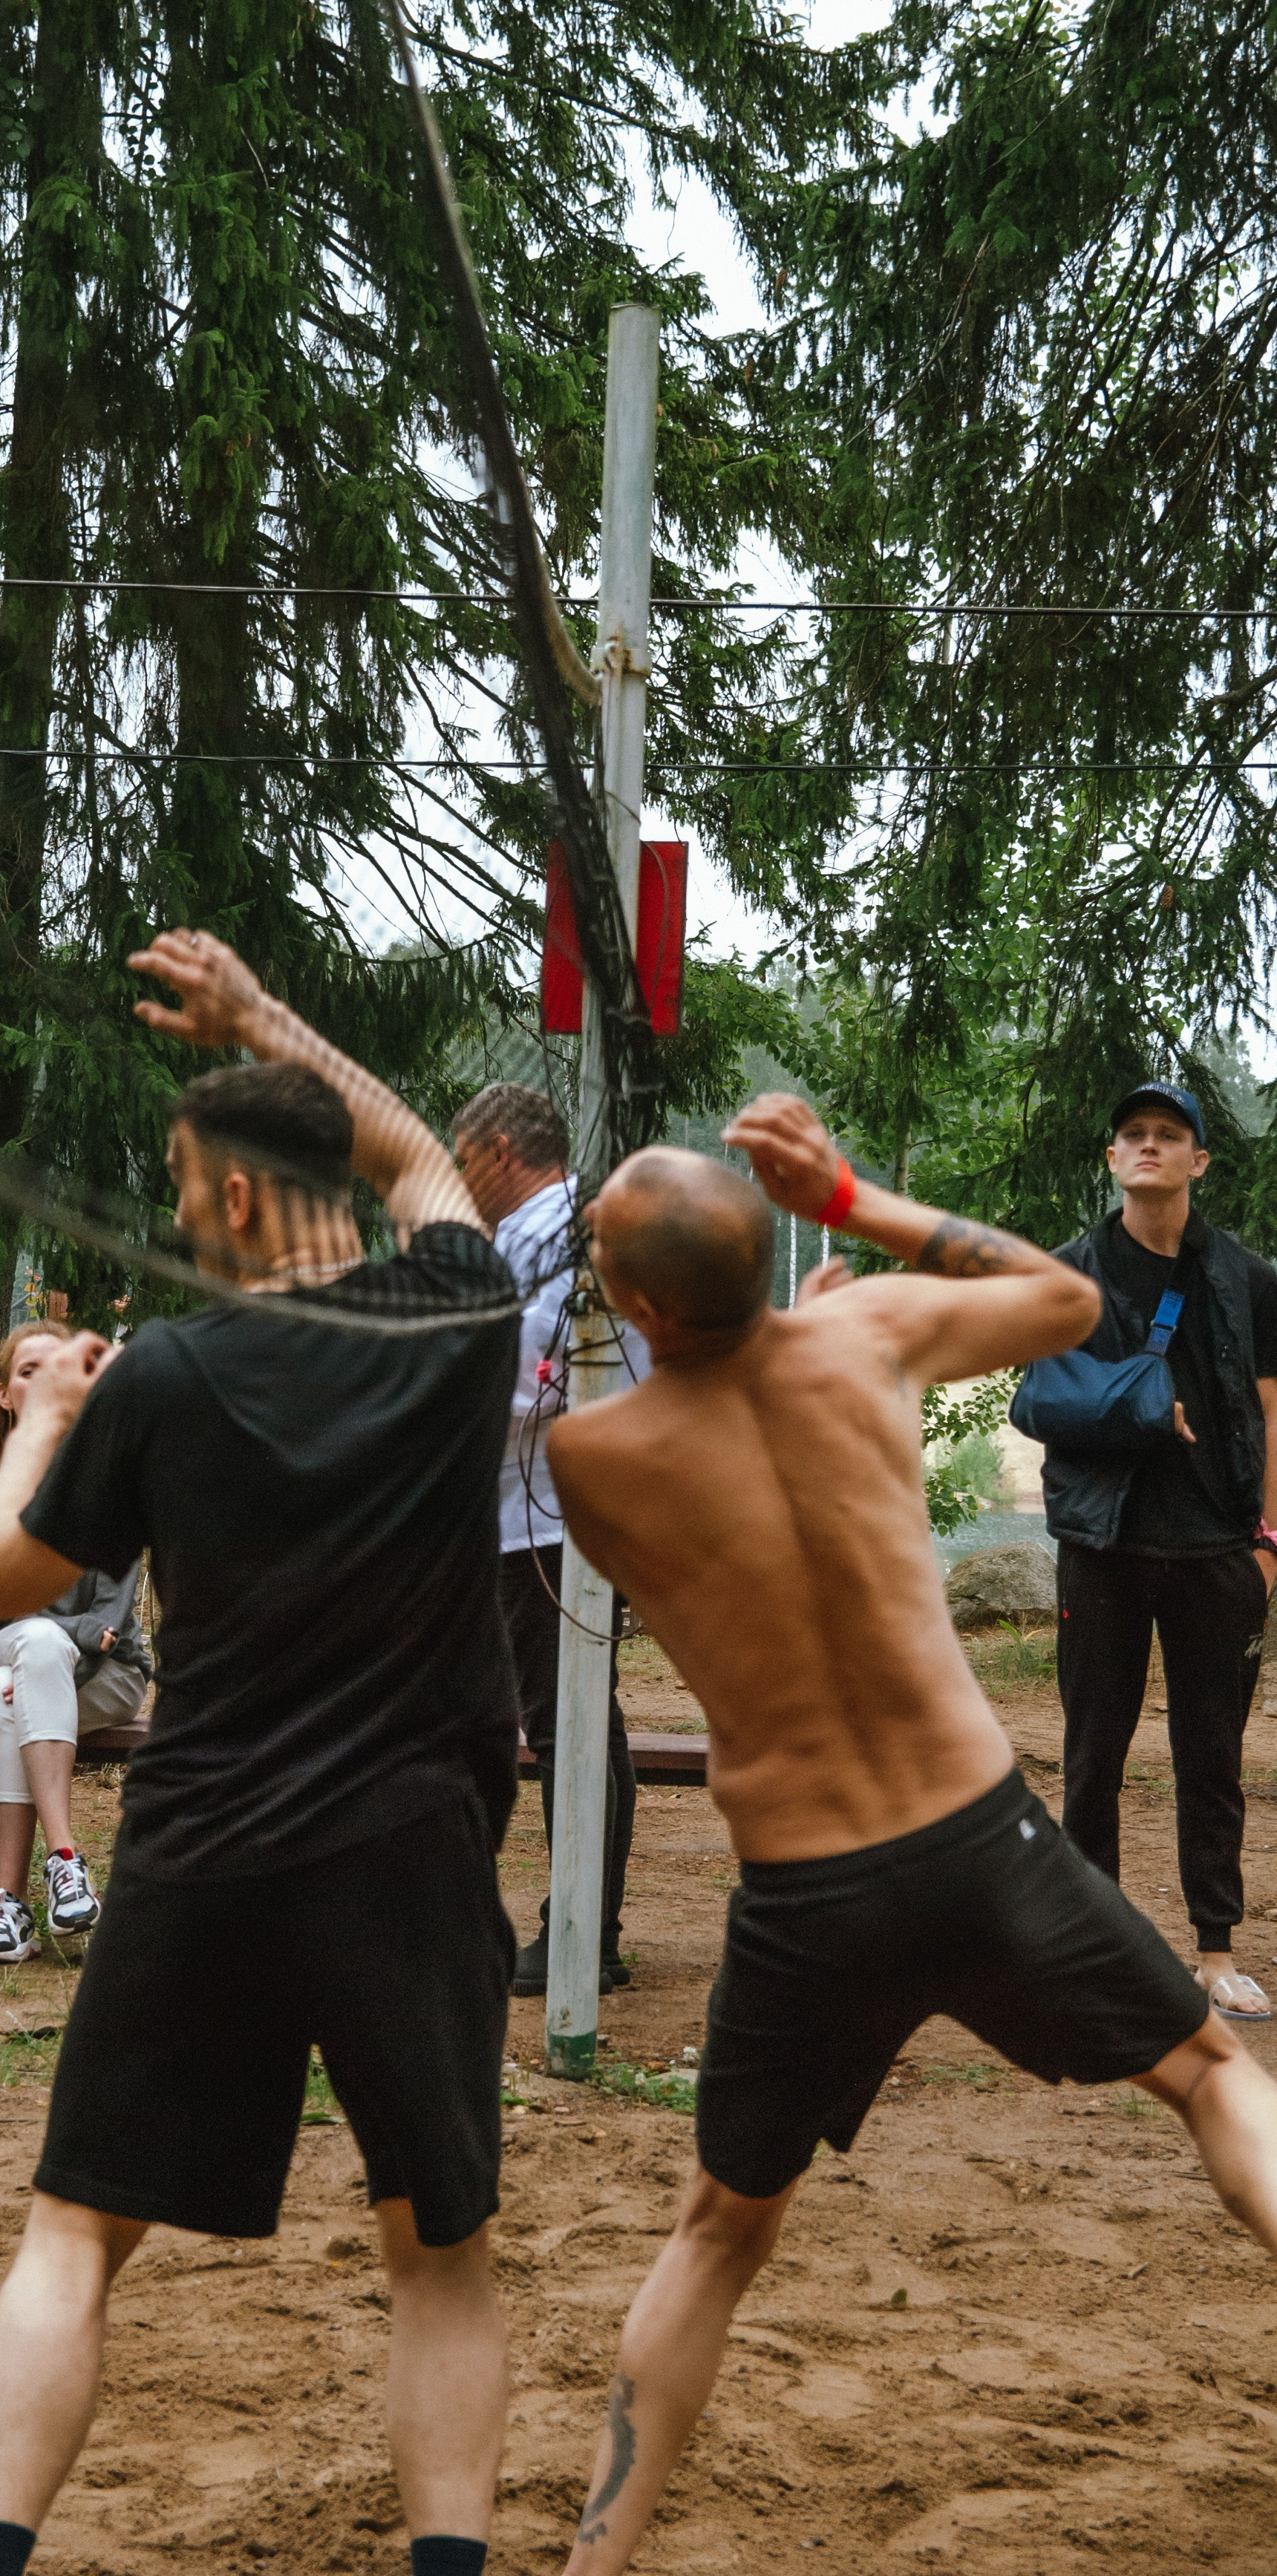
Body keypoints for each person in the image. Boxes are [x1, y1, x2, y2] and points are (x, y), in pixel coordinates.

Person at [542, 1096, 1277, 2576]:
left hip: (805, 1891)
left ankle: (591, 2562)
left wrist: (758, 1330)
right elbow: (1065, 1299)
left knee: (713, 2238)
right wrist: (853, 1207)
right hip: (974, 1838)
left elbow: (691, 1501)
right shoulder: (857, 1334)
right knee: (1207, 2075)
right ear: (779, 1255)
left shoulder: (589, 1456)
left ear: (625, 1302)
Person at [0, 928, 521, 2576]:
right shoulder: (457, 1310)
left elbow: (0, 1582)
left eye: (188, 1186)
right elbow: (413, 1150)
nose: (179, 1211)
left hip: (202, 1848)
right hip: (406, 1847)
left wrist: (51, 1406)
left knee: (71, 2234)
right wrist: (268, 1018)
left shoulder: (168, 1376)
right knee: (437, 2257)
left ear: (245, 1202)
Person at [1042, 1081, 1277, 2018]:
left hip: (1217, 1543)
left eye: (1167, 1135)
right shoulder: (1069, 1272)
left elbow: (1270, 1408)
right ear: (1111, 1158)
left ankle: (1214, 1951)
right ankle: (1092, 1947)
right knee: (1092, 1751)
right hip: (1102, 1541)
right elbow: (1044, 1394)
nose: (1148, 1146)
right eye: (1131, 1134)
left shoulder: (1248, 1276)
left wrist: (1268, 1539)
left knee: (1210, 1755)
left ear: (1198, 1159)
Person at [454, 1080, 640, 1997]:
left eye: (461, 1163)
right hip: (529, 1512)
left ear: (495, 1150)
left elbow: (531, 1382)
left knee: (570, 1721)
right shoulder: (538, 1233)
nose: (457, 1182)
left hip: (548, 1516)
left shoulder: (560, 1235)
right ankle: (581, 1921)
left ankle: (581, 1931)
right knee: (571, 1717)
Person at [0, 1321, 150, 1963]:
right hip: (7, 1650)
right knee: (28, 1648)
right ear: (4, 1394)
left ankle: (8, 1907)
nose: (44, 1381)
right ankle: (66, 1859)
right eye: (28, 1371)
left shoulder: (109, 1475)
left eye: (54, 1369)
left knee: (12, 1691)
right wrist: (75, 1631)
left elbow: (110, 1626)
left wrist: (78, 1634)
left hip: (108, 1676)